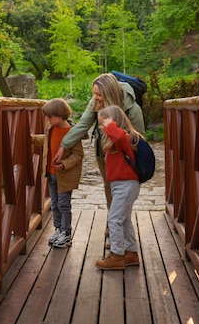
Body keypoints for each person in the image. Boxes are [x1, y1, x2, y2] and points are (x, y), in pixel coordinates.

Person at [51, 73, 144, 226]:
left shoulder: (132, 109)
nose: (95, 98)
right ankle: (112, 223)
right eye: (94, 93)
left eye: (99, 95)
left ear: (109, 94)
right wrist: (64, 145)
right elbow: (82, 125)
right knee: (109, 187)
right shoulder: (95, 102)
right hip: (103, 153)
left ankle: (117, 225)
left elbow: (140, 139)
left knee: (121, 192)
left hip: (125, 159)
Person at [31, 98, 84, 248]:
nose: (47, 119)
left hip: (64, 176)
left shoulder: (71, 133)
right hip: (51, 174)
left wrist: (64, 164)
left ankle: (66, 233)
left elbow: (78, 155)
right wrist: (32, 139)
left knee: (63, 205)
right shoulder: (51, 128)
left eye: (49, 116)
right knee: (54, 204)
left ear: (60, 115)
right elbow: (46, 141)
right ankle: (58, 229)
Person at [94, 105, 142, 270]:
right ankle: (131, 252)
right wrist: (108, 127)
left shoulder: (124, 137)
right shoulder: (114, 139)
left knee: (113, 219)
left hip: (126, 185)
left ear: (114, 123)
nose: (101, 127)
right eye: (101, 125)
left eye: (103, 124)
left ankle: (116, 256)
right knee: (125, 219)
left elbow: (121, 138)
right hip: (120, 185)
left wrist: (110, 126)